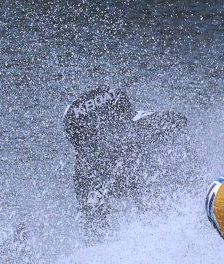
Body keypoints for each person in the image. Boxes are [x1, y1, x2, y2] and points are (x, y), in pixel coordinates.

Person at [63, 86, 188, 242]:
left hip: (173, 187)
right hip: (154, 207)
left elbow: (179, 122)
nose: (102, 137)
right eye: (90, 137)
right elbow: (94, 227)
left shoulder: (142, 123)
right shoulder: (86, 171)